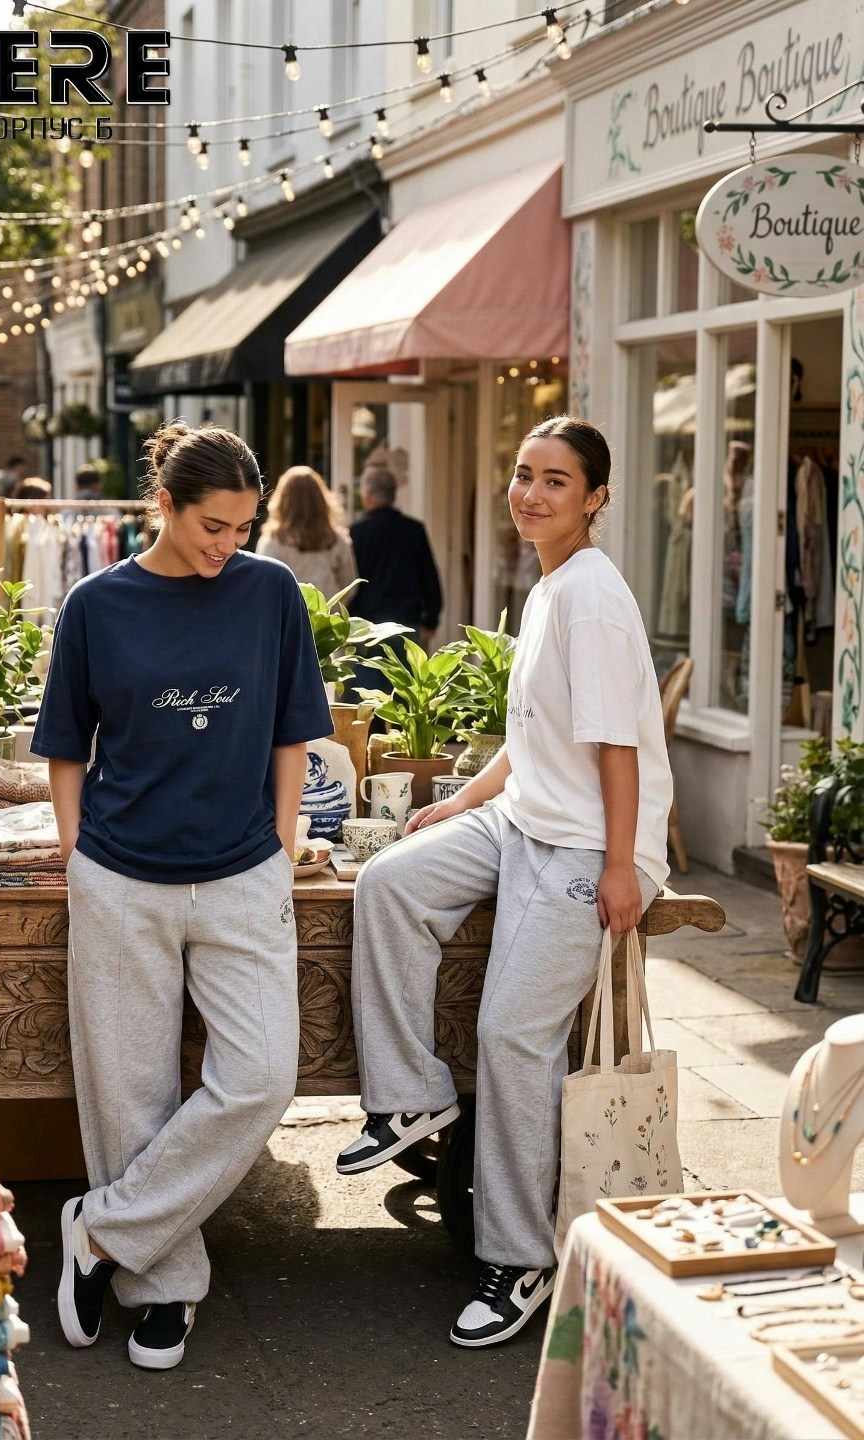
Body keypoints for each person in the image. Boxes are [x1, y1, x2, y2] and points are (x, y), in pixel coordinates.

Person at [335, 417, 673, 1348]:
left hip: (584, 845)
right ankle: (410, 1094)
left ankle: (520, 1259)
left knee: (512, 1034)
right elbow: (534, 742)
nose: (532, 494)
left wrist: (619, 864)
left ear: (596, 496)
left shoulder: (594, 598)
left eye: (556, 481)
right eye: (524, 475)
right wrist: (461, 802)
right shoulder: (549, 584)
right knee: (390, 882)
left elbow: (614, 749)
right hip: (522, 817)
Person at [32, 421, 331, 1372]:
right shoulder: (98, 602)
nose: (228, 545)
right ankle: (162, 1284)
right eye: (212, 525)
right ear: (162, 505)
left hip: (243, 870)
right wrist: (78, 851)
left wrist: (282, 845)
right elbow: (66, 743)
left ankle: (103, 1232)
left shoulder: (270, 591)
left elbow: (293, 728)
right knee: (130, 1092)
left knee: (261, 1077)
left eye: (243, 527)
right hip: (121, 874)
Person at [349, 465, 442, 641]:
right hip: (408, 624)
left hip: (367, 628)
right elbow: (430, 578)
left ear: (366, 496)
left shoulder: (357, 533)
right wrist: (431, 620)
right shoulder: (414, 530)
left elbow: (351, 583)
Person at [256, 465, 358, 595]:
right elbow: (349, 586)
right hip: (328, 613)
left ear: (283, 500)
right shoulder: (336, 540)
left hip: (287, 613)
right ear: (320, 499)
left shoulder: (272, 541)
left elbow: (264, 584)